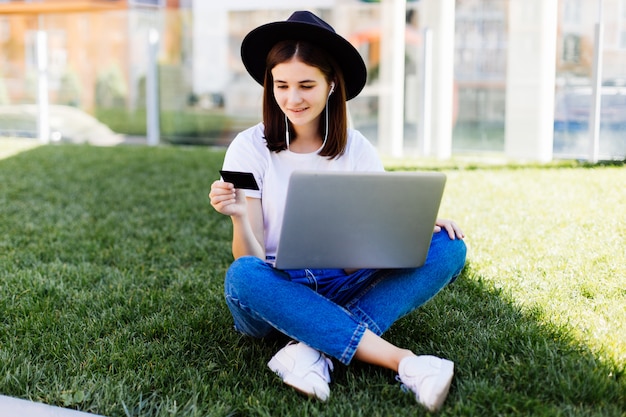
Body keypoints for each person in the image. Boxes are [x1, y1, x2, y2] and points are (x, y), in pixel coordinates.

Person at [209, 11, 467, 412]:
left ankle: (309, 350)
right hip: (275, 287)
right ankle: (403, 361)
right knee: (243, 276)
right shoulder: (248, 147)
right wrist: (239, 215)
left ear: (331, 85)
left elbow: (364, 251)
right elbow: (249, 259)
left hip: (341, 279)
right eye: (282, 85)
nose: (292, 99)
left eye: (306, 85)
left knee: (450, 248)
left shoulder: (357, 149)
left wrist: (410, 227)